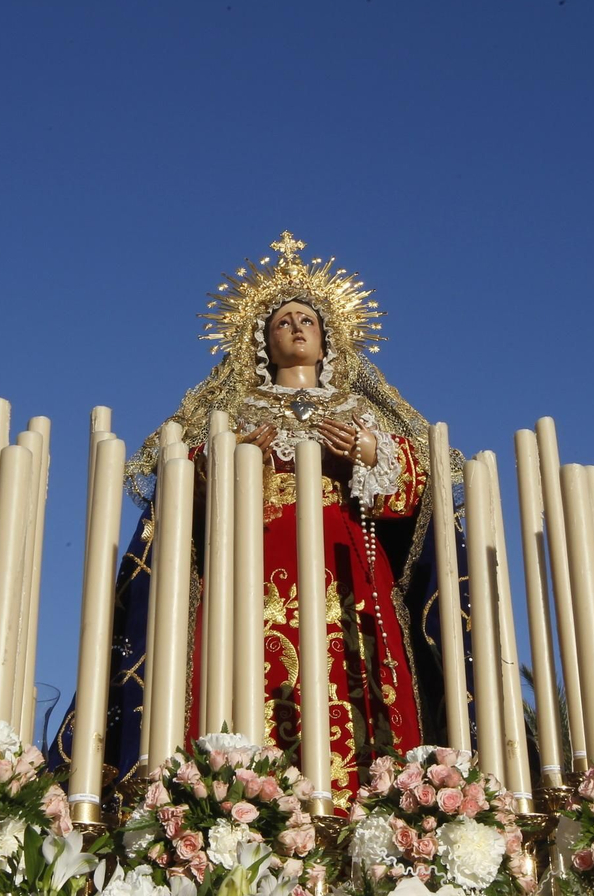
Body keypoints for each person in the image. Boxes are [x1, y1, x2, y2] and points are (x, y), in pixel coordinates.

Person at [60, 232, 463, 808]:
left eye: (308, 320)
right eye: (282, 322)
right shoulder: (229, 412)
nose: (297, 327)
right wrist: (224, 460)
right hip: (250, 575)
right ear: (260, 342)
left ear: (329, 340)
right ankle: (237, 813)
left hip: (347, 574)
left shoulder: (364, 412)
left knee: (360, 690)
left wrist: (373, 454)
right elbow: (175, 484)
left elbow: (423, 489)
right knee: (247, 686)